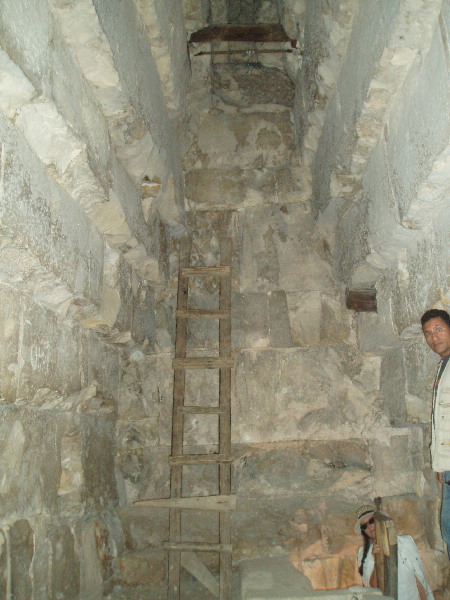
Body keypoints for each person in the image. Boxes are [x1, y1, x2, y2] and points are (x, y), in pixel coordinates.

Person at [355, 505, 434, 600]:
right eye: (364, 526)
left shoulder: (405, 543)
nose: (370, 526)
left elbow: (419, 578)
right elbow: (372, 588)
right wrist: (375, 558)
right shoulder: (363, 554)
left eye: (371, 521)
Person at [421, 308, 450, 556]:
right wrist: (441, 465)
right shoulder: (444, 366)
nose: (434, 338)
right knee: (448, 530)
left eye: (439, 329)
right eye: (428, 334)